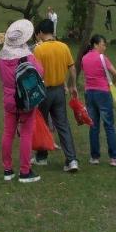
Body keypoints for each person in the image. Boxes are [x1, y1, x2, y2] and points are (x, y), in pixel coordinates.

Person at [0, 19, 43, 183]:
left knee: (8, 133)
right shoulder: (28, 58)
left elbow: (2, 77)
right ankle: (25, 171)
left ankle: (7, 169)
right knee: (26, 134)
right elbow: (40, 73)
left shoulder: (1, 59)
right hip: (26, 100)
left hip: (9, 101)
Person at [32, 19, 79, 171]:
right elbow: (72, 69)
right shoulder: (64, 47)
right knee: (63, 124)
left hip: (44, 91)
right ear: (52, 30)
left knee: (41, 123)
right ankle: (71, 160)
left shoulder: (38, 50)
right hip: (59, 91)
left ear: (40, 33)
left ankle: (41, 157)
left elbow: (35, 73)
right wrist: (72, 85)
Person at [81, 34, 116, 167]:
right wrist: (113, 84)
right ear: (95, 44)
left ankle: (94, 157)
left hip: (89, 93)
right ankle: (114, 158)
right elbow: (115, 73)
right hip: (103, 93)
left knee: (93, 126)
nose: (104, 47)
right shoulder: (102, 58)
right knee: (109, 125)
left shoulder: (84, 58)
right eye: (103, 44)